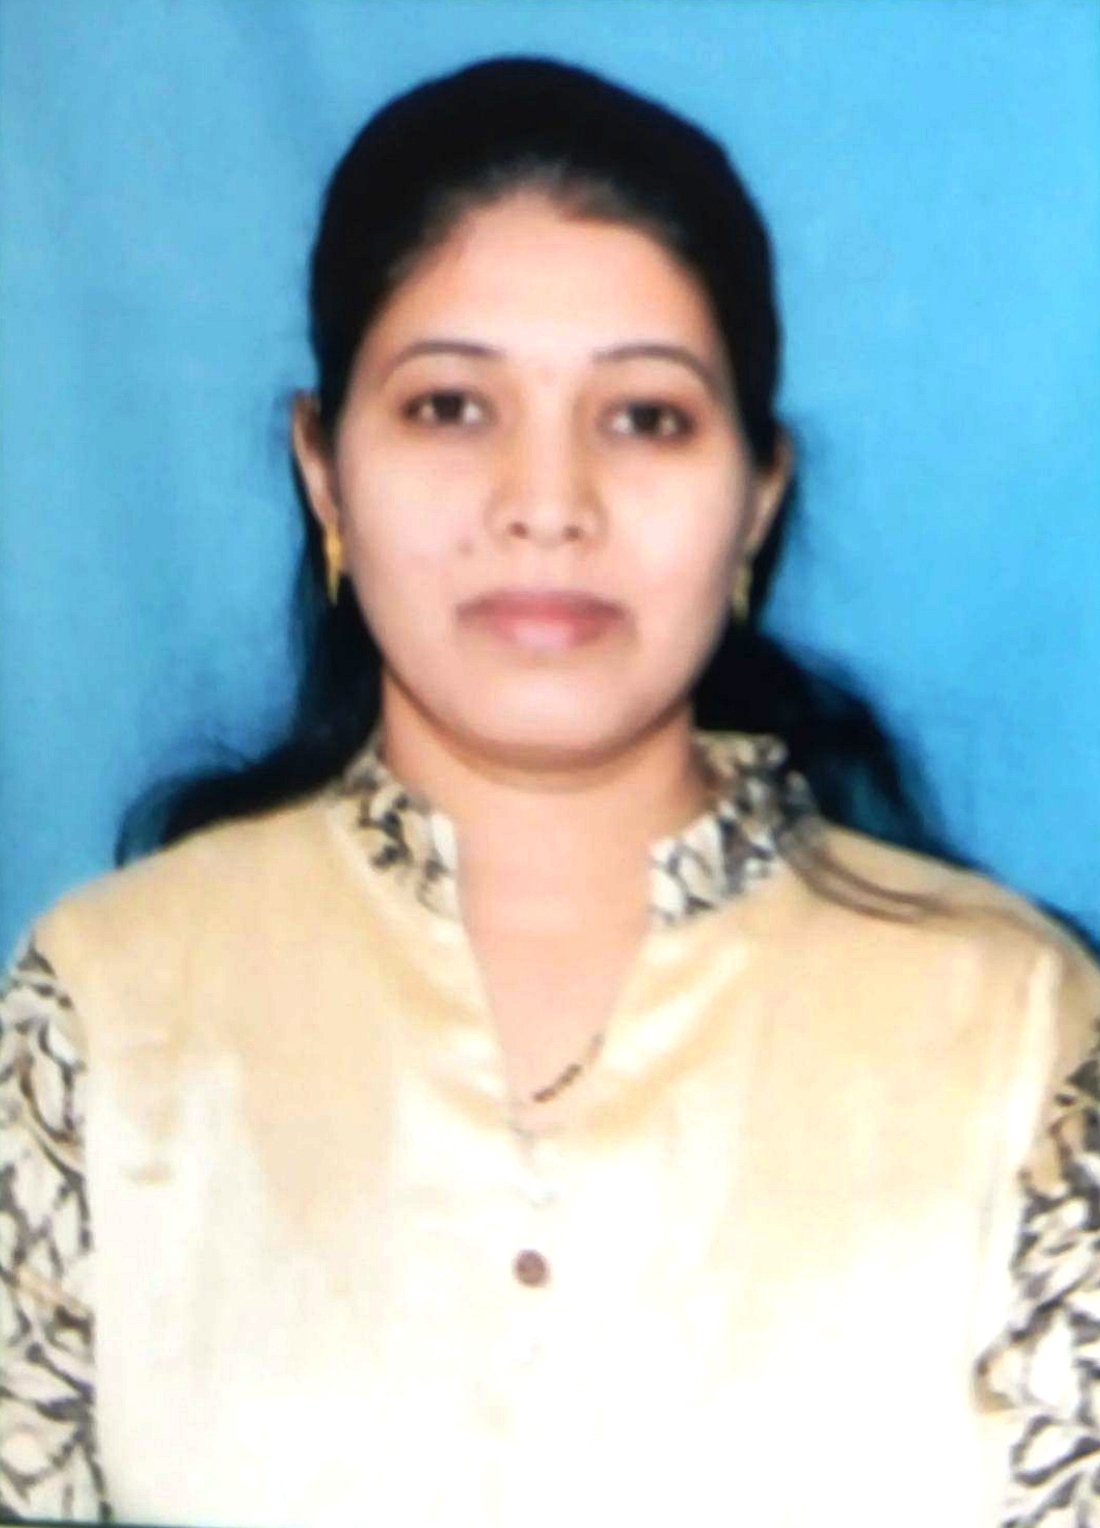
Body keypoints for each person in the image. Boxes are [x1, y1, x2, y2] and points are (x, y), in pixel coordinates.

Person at [1, 53, 1098, 1527]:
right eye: (452, 406)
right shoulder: (106, 1010)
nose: (547, 503)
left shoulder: (1018, 1033)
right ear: (323, 473)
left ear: (759, 497)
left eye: (644, 417)